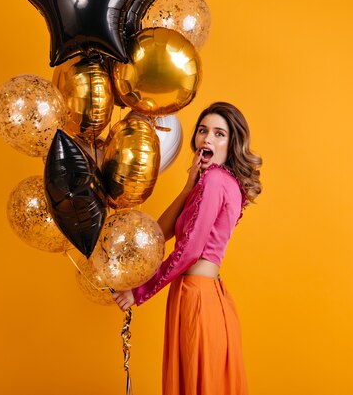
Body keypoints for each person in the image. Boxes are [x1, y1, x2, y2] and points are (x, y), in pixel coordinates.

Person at [112, 102, 262, 395]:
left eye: (219, 134)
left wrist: (139, 291)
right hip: (200, 294)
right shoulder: (215, 182)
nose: (207, 139)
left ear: (232, 145)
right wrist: (187, 187)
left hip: (197, 296)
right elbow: (159, 233)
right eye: (203, 131)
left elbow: (190, 251)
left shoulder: (217, 181)